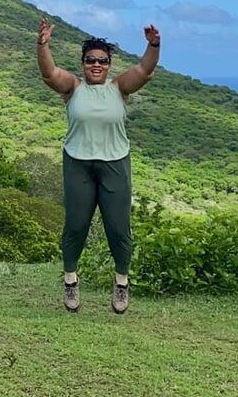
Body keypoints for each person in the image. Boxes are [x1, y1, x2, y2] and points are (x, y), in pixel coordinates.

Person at [36, 21, 160, 314]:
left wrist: (153, 45)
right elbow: (50, 74)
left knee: (118, 228)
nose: (96, 64)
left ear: (109, 65)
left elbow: (144, 71)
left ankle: (121, 282)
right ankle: (70, 280)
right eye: (90, 60)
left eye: (102, 61)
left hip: (115, 162)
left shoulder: (118, 89)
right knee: (76, 225)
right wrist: (42, 45)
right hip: (78, 162)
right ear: (83, 63)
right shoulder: (73, 88)